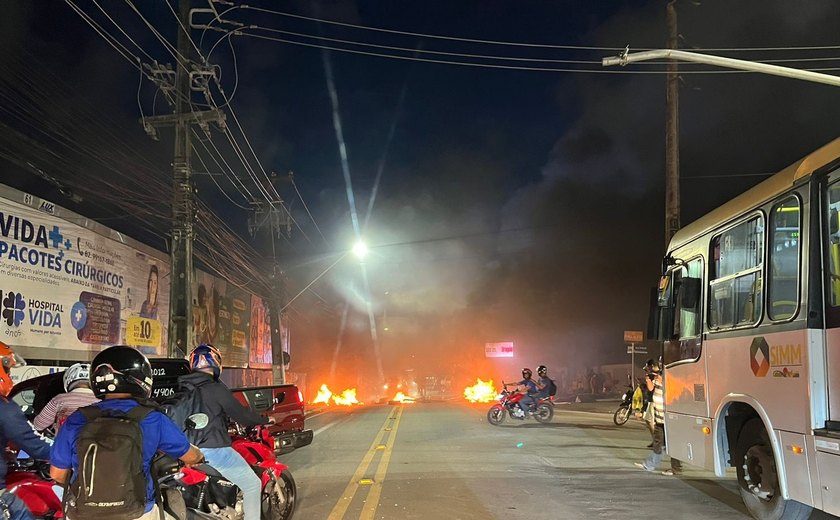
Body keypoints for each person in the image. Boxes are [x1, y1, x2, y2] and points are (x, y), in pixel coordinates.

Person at [50, 345, 203, 520]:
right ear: (141, 379)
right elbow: (190, 456)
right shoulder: (152, 418)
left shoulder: (77, 419)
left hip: (83, 512)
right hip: (138, 512)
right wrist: (198, 457)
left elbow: (57, 474)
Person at [178, 344, 275, 520]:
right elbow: (242, 415)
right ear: (215, 363)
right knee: (253, 485)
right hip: (214, 450)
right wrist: (264, 420)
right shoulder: (216, 388)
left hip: (186, 451)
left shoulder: (183, 389)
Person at [0, 341, 52, 520]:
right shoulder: (4, 407)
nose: (9, 375)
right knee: (21, 512)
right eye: (8, 370)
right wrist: (70, 453)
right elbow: (35, 444)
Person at [634, 359, 683, 476]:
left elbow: (674, 389)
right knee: (659, 442)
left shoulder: (672, 377)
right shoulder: (660, 375)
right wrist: (648, 380)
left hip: (669, 416)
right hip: (659, 417)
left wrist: (663, 381)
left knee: (670, 443)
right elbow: (651, 389)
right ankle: (650, 464)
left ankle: (675, 468)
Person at [33, 363, 99, 433]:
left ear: (68, 379)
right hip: (94, 443)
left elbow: (39, 425)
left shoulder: (59, 400)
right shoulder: (101, 401)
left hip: (65, 443)